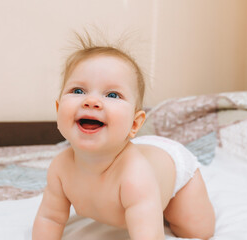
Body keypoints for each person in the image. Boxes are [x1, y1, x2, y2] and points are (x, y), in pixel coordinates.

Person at [32, 32, 215, 240]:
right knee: (145, 210)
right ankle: (148, 207)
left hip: (170, 162)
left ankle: (160, 205)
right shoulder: (60, 168)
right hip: (140, 149)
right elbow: (50, 218)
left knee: (197, 230)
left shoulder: (135, 175)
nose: (91, 101)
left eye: (112, 95)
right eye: (78, 90)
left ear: (135, 123)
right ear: (58, 111)